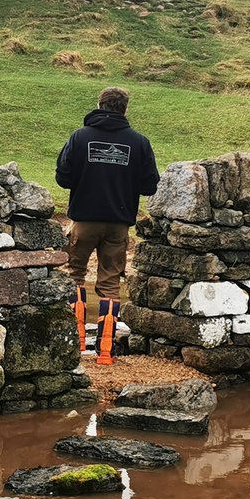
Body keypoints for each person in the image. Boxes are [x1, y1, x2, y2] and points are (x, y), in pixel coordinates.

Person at [55, 86, 160, 363]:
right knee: (111, 284)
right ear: (125, 109)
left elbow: (63, 178)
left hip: (83, 221)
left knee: (75, 275)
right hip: (118, 225)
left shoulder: (80, 137)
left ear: (99, 105)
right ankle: (105, 352)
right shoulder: (139, 142)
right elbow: (150, 185)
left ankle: (76, 344)